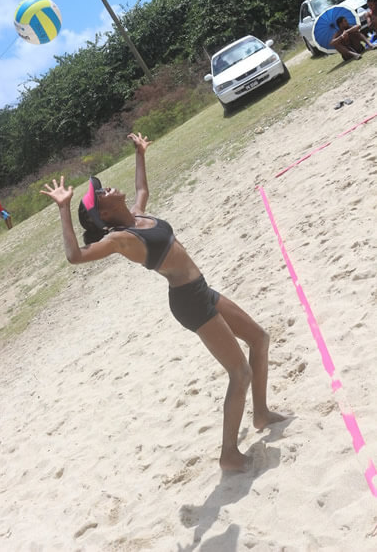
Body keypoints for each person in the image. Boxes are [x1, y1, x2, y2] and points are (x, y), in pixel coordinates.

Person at [41, 132, 285, 472]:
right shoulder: (120, 239)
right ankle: (228, 454)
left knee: (259, 338)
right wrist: (64, 208)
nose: (106, 188)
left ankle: (260, 413)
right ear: (104, 214)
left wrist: (140, 154)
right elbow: (75, 256)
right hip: (189, 301)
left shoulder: (137, 215)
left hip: (200, 289)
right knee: (239, 372)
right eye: (101, 194)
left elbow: (142, 189)